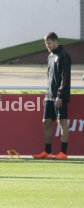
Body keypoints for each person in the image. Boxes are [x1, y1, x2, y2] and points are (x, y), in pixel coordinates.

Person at [33, 32, 71, 160]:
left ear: (55, 42)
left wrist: (60, 96)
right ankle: (47, 152)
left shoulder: (63, 56)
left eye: (49, 43)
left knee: (62, 122)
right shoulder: (50, 56)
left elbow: (65, 78)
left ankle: (63, 153)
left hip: (60, 96)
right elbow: (50, 77)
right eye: (45, 44)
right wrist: (47, 93)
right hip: (50, 95)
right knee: (46, 122)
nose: (47, 46)